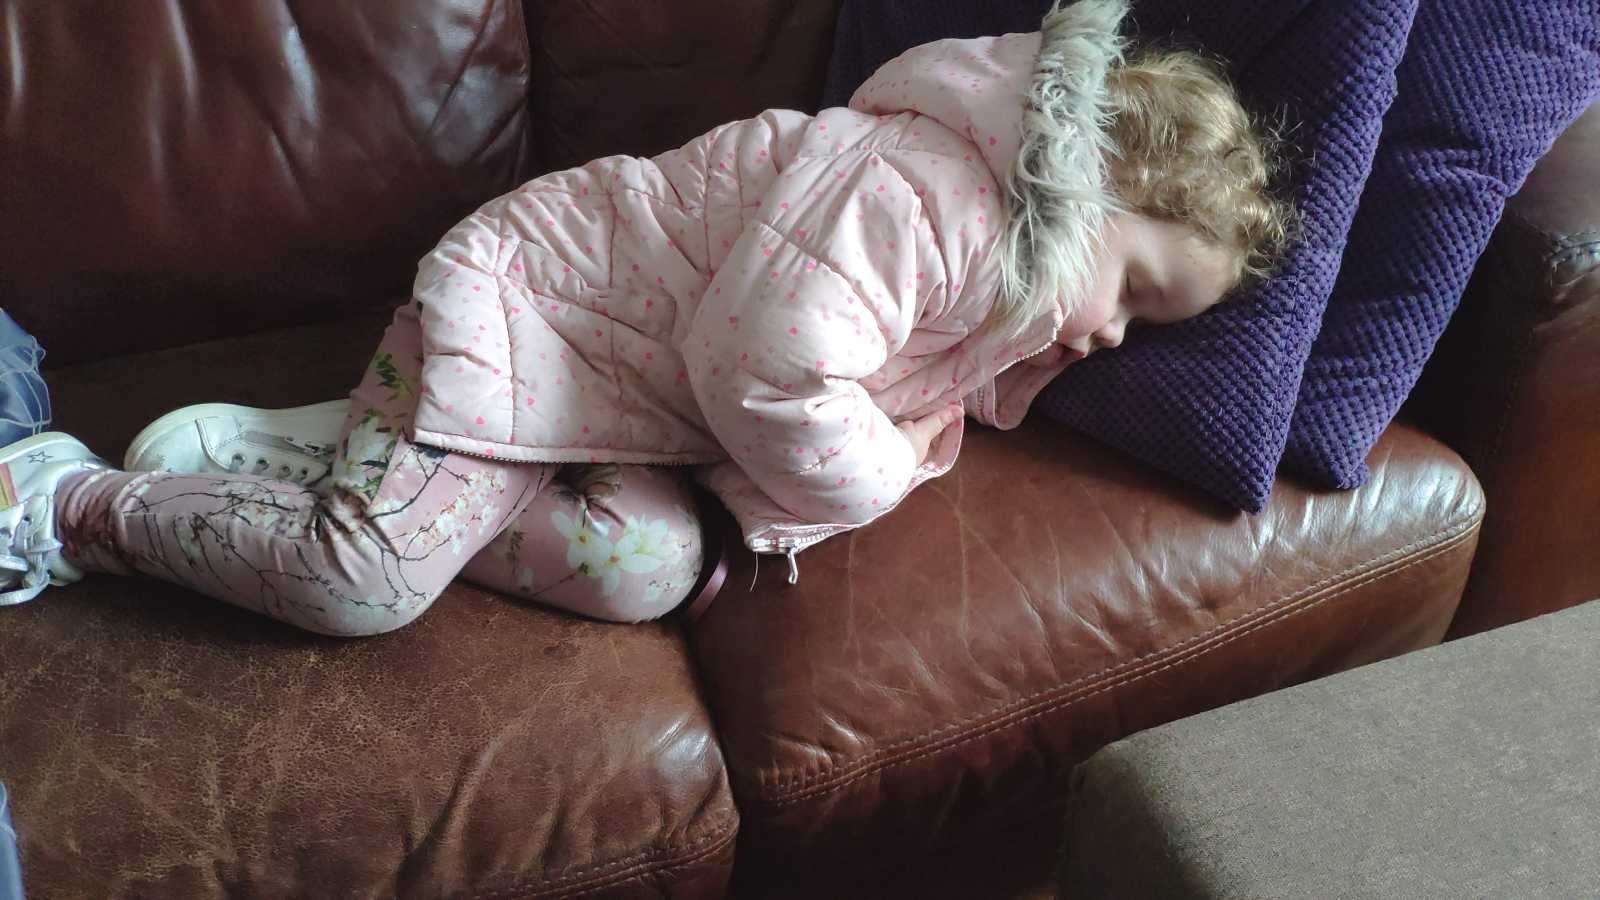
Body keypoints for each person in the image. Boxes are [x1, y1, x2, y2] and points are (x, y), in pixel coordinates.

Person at [0, 0, 1289, 631]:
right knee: (369, 585)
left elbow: (815, 398)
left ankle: (352, 452)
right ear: (1078, 180)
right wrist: (884, 468)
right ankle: (70, 503)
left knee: (655, 569)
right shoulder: (921, 195)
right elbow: (770, 371)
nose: (1113, 336)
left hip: (614, 389)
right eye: (1133, 290)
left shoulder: (1001, 288)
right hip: (527, 311)